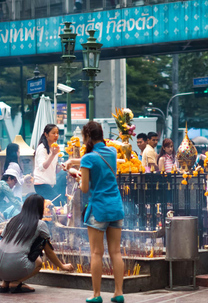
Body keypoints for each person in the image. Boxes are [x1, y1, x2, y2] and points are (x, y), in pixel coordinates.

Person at [63, 121, 124, 302]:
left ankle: (97, 295)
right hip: (116, 206)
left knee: (97, 252)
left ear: (87, 137)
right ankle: (119, 293)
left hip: (99, 208)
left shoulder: (89, 159)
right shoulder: (112, 152)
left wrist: (76, 175)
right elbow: (95, 161)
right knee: (116, 252)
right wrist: (75, 162)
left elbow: (84, 188)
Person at [0, 193, 73, 293]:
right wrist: (62, 266)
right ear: (39, 208)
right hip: (13, 264)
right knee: (38, 260)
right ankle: (16, 282)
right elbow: (48, 251)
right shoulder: (40, 224)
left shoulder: (13, 219)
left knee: (11, 253)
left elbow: (3, 238)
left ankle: (5, 283)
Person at [33, 124, 60, 200]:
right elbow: (42, 168)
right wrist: (53, 155)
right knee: (57, 201)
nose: (56, 135)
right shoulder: (42, 148)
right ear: (46, 134)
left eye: (57, 133)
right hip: (41, 183)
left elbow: (53, 167)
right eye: (53, 133)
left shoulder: (54, 147)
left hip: (49, 183)